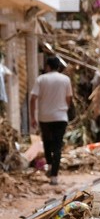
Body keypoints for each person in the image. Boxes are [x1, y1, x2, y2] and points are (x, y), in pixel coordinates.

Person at [29, 55, 73, 186]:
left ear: (47, 66)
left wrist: (32, 117)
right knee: (58, 146)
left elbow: (32, 98)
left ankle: (49, 165)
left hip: (45, 117)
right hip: (61, 117)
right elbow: (69, 97)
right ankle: (54, 177)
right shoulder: (65, 79)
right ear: (58, 66)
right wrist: (65, 108)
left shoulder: (41, 79)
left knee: (47, 144)